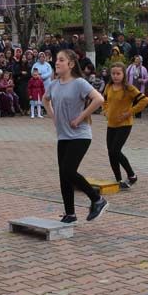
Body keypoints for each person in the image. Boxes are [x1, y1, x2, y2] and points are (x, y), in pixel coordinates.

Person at [44, 48, 107, 224]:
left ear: (71, 64)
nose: (57, 62)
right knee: (63, 175)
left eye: (61, 60)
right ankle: (70, 214)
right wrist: (53, 117)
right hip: (63, 136)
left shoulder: (79, 83)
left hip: (80, 135)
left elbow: (99, 100)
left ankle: (97, 199)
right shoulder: (54, 84)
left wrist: (80, 118)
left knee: (69, 170)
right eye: (57, 60)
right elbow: (45, 99)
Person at [102, 62, 148, 189]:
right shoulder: (109, 86)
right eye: (113, 74)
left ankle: (132, 175)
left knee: (115, 150)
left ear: (124, 74)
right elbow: (104, 100)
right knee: (111, 153)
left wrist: (129, 112)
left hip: (124, 124)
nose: (116, 76)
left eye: (118, 73)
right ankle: (118, 180)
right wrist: (105, 111)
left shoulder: (129, 88)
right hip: (111, 124)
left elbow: (145, 100)